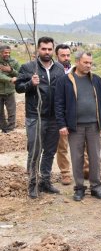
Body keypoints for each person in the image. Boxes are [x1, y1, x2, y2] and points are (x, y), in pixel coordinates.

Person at [55, 51, 101, 201]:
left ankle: (96, 187)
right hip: (75, 127)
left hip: (94, 125)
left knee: (94, 157)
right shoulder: (64, 81)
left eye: (91, 63)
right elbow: (59, 104)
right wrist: (62, 124)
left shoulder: (96, 80)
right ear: (77, 62)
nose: (88, 66)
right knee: (77, 158)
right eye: (86, 63)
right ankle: (79, 188)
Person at [15, 36, 66, 199]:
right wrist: (31, 83)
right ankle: (32, 183)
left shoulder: (59, 68)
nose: (47, 52)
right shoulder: (28, 67)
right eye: (43, 49)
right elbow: (19, 88)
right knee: (35, 151)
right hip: (35, 116)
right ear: (38, 49)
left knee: (50, 151)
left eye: (50, 49)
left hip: (54, 118)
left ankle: (45, 181)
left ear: (53, 50)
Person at [54, 44, 90, 185]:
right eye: (63, 55)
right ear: (57, 56)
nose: (66, 58)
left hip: (78, 114)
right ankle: (65, 173)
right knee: (62, 145)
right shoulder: (54, 71)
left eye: (68, 55)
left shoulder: (76, 71)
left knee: (83, 143)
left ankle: (85, 169)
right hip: (61, 114)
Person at [0, 45, 20, 133]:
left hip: (10, 91)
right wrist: (10, 79)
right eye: (5, 53)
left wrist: (11, 70)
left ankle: (10, 129)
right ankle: (3, 128)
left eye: (9, 52)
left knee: (12, 111)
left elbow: (20, 74)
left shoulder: (14, 62)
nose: (7, 54)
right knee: (0, 112)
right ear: (0, 53)